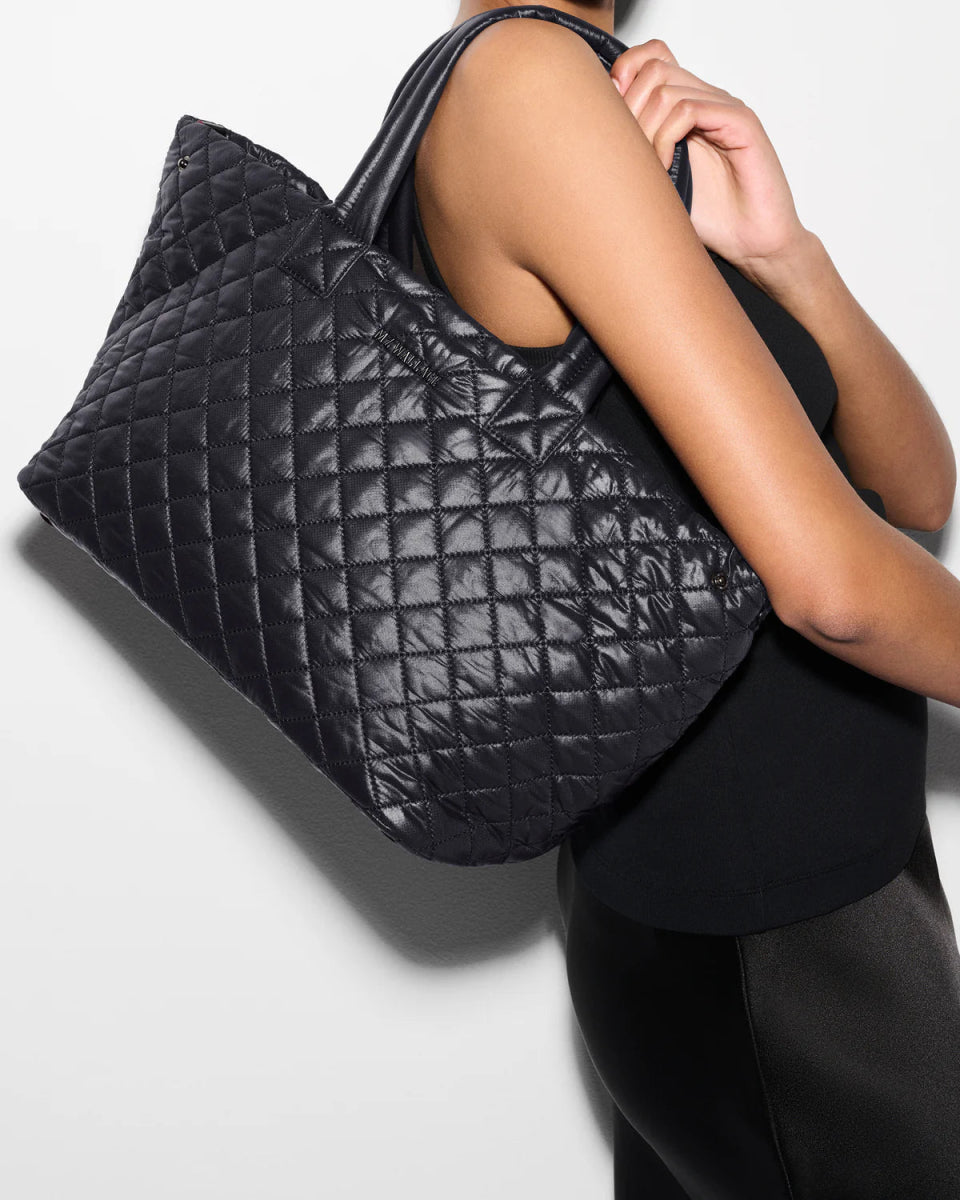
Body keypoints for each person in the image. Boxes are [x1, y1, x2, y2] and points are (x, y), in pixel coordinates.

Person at [406, 2, 960, 1196]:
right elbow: (833, 589)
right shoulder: (521, 80)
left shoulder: (606, 93)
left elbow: (915, 487)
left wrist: (784, 254)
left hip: (822, 886)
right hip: (768, 941)